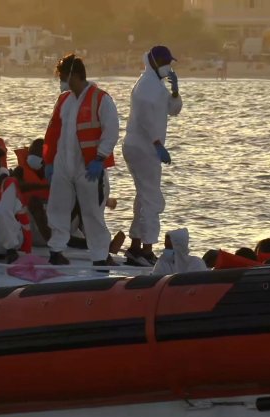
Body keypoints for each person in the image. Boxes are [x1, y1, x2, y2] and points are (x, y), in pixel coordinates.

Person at [43, 53, 120, 266]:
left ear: (74, 75)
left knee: (92, 211)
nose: (61, 81)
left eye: (62, 76)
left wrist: (100, 158)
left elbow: (111, 130)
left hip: (88, 165)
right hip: (63, 164)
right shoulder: (64, 100)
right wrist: (49, 161)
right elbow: (53, 131)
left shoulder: (100, 99)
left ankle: (100, 255)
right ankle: (56, 250)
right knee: (57, 208)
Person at [123, 46, 182, 267]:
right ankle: (146, 251)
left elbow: (172, 109)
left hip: (143, 147)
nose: (169, 67)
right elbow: (146, 119)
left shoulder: (154, 84)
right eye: (166, 62)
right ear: (155, 62)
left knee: (143, 198)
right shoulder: (147, 86)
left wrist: (175, 92)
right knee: (152, 199)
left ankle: (136, 247)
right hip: (143, 148)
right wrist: (158, 144)